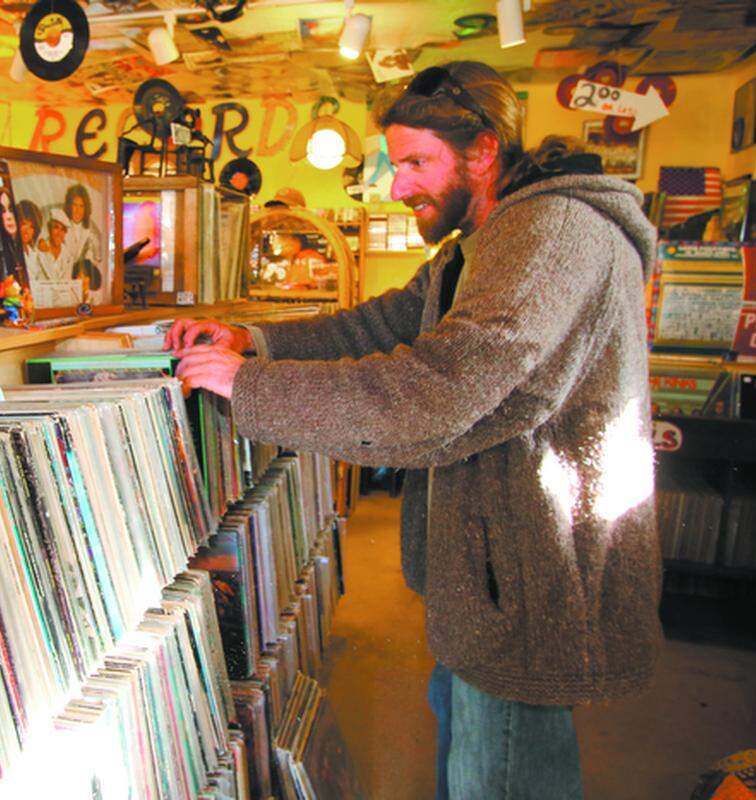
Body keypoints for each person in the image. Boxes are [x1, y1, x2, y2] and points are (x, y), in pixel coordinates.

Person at [168, 60, 661, 799]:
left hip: (529, 575)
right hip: (493, 571)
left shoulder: (552, 233)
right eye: (395, 164)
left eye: (416, 163)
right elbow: (384, 322)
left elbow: (438, 389)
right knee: (471, 742)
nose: (399, 187)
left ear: (484, 150)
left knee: (498, 769)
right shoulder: (487, 237)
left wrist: (253, 387)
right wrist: (253, 341)